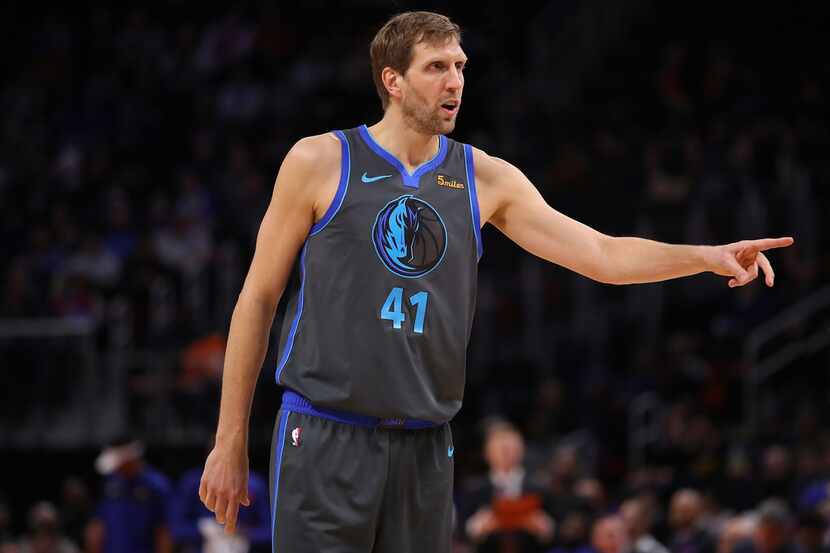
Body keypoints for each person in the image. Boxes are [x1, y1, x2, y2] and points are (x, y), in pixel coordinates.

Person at [198, 10, 794, 553]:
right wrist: (230, 441)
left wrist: (705, 255)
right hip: (324, 434)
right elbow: (257, 298)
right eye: (436, 68)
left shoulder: (485, 178)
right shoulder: (319, 161)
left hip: (426, 444)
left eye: (460, 67)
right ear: (392, 81)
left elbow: (602, 255)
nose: (454, 81)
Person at [462, 421, 555, 552]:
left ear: (521, 450)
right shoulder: (474, 488)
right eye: (500, 449)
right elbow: (459, 532)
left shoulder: (540, 487)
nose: (505, 453)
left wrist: (545, 527)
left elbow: (557, 532)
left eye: (511, 448)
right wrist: (478, 526)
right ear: (487, 453)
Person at [85, 437, 172, 553]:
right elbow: (98, 524)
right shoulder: (110, 482)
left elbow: (164, 531)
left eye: (118, 465)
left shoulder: (157, 485)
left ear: (130, 459)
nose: (116, 469)